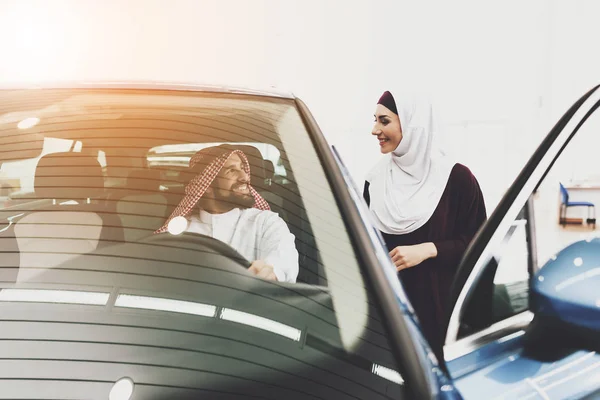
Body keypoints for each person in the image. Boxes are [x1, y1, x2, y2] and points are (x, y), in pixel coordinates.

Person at [363, 89, 487, 361]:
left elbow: (481, 246)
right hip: (389, 317)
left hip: (441, 318)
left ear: (411, 124)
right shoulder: (375, 180)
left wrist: (430, 249)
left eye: (384, 121)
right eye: (375, 120)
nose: (375, 130)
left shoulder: (456, 179)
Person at [156, 145, 299, 283]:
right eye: (231, 171)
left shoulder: (266, 222)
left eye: (243, 168)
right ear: (205, 185)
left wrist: (270, 272)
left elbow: (283, 258)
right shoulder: (181, 231)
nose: (245, 177)